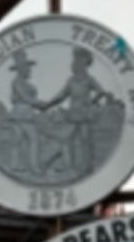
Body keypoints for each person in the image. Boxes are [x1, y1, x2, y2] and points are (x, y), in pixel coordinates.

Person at [40, 48, 113, 177]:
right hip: (73, 115)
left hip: (84, 115)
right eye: (75, 61)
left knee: (85, 139)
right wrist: (48, 104)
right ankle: (65, 164)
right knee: (65, 138)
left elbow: (101, 92)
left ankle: (87, 167)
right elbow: (61, 95)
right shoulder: (71, 81)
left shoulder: (89, 80)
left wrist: (91, 102)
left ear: (84, 63)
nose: (74, 64)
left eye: (77, 61)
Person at [7, 51, 44, 174]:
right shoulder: (17, 82)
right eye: (27, 68)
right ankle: (34, 167)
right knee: (34, 138)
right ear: (21, 69)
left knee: (17, 140)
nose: (29, 70)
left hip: (22, 113)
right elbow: (24, 97)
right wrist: (40, 104)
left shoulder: (23, 82)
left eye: (29, 68)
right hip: (23, 114)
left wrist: (38, 104)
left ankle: (14, 165)